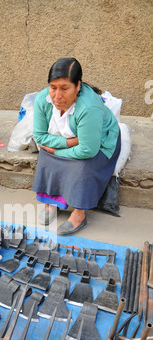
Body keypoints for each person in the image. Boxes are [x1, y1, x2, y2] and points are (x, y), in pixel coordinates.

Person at [32, 57, 121, 236]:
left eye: (65, 88)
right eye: (53, 87)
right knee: (45, 156)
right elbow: (39, 136)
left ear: (78, 86)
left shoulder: (89, 107)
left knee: (83, 164)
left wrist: (57, 150)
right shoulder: (43, 99)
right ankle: (52, 202)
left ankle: (79, 213)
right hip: (70, 139)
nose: (57, 96)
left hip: (100, 142)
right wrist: (69, 142)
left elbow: (88, 149)